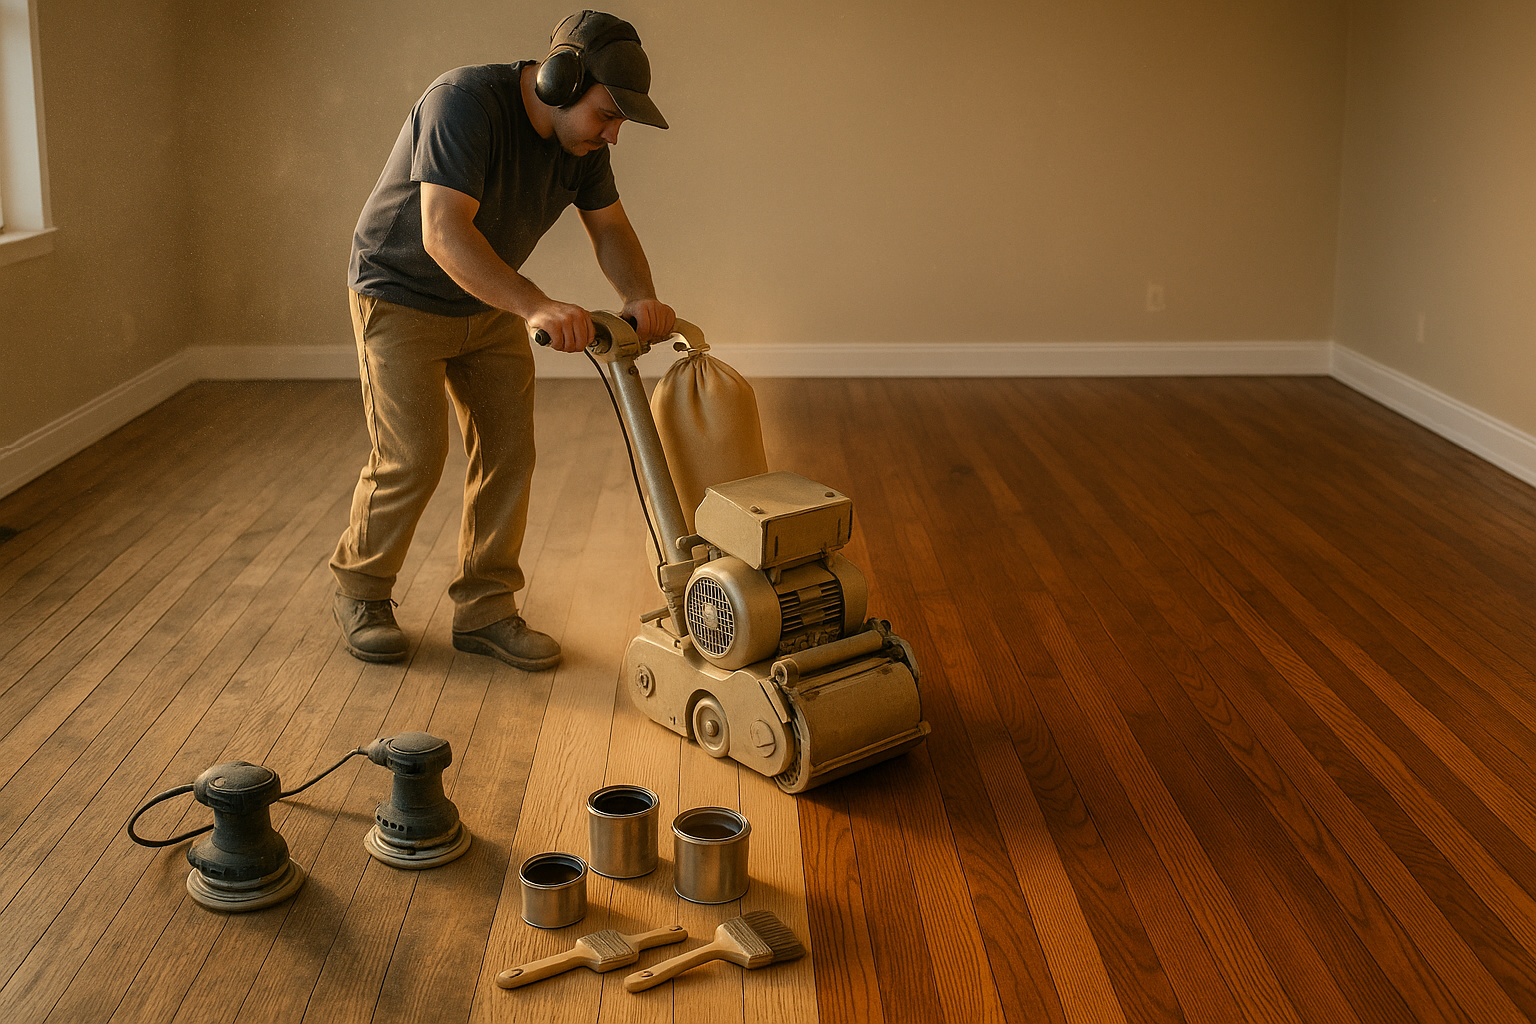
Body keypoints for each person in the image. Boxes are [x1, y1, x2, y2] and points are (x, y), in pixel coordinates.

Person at [332, 10, 675, 668]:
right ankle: (362, 590)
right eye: (607, 114)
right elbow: (443, 232)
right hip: (399, 294)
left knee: (509, 454)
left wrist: (639, 297)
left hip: (489, 299)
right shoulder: (463, 104)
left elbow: (610, 228)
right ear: (561, 82)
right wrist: (536, 306)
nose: (613, 133)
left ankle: (485, 610)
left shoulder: (584, 150)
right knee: (413, 457)